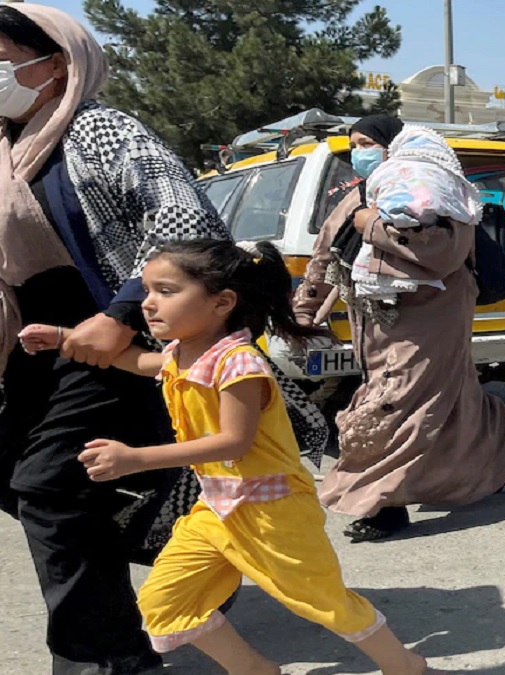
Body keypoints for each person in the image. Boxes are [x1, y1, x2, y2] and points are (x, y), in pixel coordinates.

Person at [20, 240, 427, 675]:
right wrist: (64, 338)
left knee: (323, 601)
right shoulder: (181, 353)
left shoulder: (239, 364)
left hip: (274, 511)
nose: (149, 304)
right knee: (164, 603)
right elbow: (136, 360)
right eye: (146, 291)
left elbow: (234, 441)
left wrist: (135, 458)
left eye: (166, 291)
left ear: (222, 302)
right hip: (215, 510)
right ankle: (253, 670)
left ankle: (405, 665)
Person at [0, 5, 229, 672]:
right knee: (25, 480)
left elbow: (187, 216)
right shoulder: (8, 148)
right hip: (38, 350)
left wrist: (125, 310)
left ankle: (102, 655)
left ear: (56, 62)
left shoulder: (95, 129)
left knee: (50, 487)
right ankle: (165, 556)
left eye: (4, 55)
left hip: (113, 345)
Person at [295, 122, 505, 542]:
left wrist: (370, 225)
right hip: (373, 318)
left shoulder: (436, 191)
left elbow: (444, 254)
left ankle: (382, 502)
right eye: (354, 146)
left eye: (368, 144)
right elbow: (325, 254)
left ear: (393, 146)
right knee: (452, 395)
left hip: (433, 314)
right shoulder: (359, 195)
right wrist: (304, 309)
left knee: (397, 400)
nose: (360, 153)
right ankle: (499, 460)